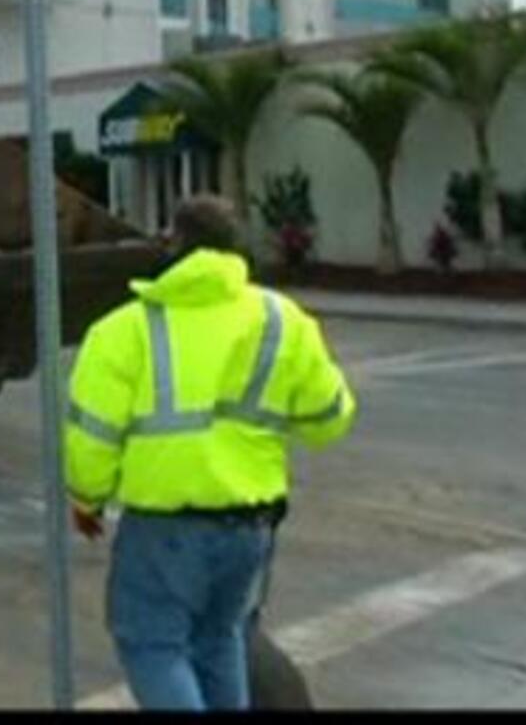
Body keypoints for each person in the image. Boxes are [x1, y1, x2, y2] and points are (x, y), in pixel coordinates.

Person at [64, 194, 357, 711]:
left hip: (165, 530)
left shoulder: (124, 330)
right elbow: (330, 418)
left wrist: (86, 500)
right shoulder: (281, 320)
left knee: (152, 643)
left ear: (175, 244)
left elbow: (92, 437)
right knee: (220, 639)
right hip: (250, 528)